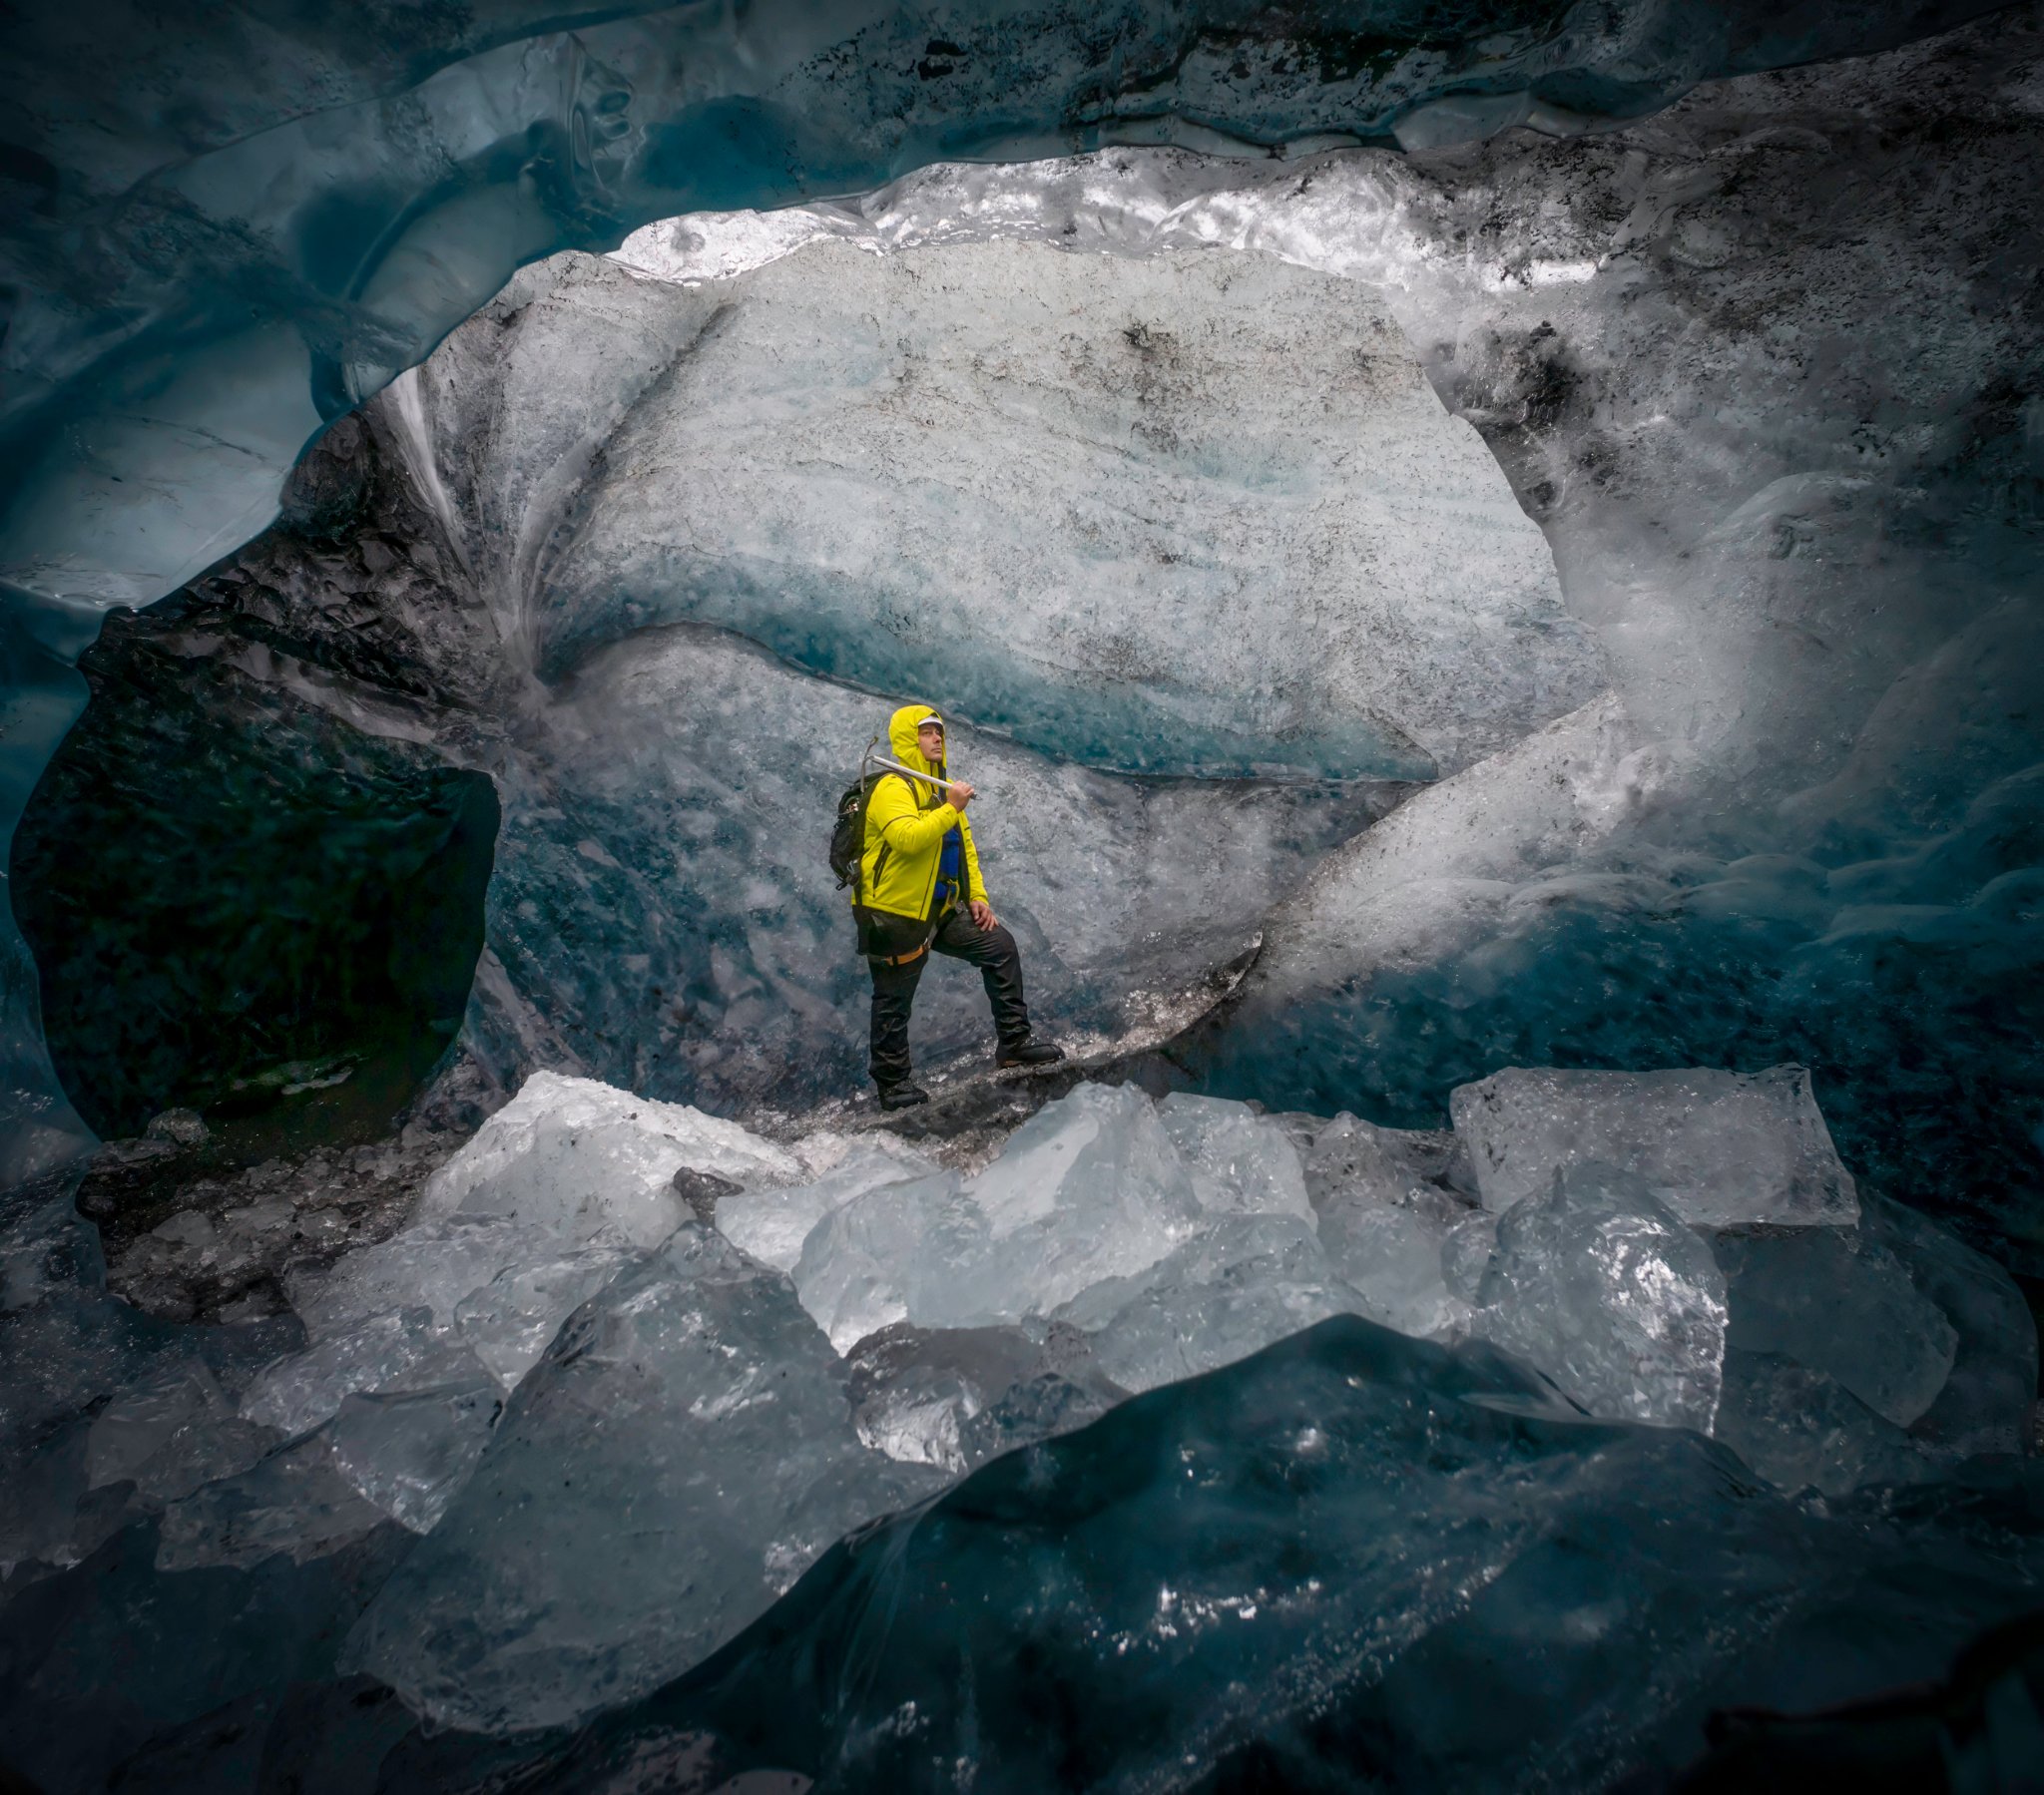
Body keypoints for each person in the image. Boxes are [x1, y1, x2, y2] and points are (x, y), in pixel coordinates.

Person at [853, 703, 1063, 1109]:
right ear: (907, 739)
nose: (936, 738)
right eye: (927, 732)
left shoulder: (941, 786)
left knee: (999, 947)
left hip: (940, 909)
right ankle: (893, 1085)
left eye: (939, 733)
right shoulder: (894, 787)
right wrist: (951, 807)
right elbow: (907, 839)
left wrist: (977, 897)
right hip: (893, 913)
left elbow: (964, 848)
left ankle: (1014, 1043)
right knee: (894, 999)